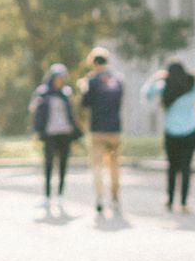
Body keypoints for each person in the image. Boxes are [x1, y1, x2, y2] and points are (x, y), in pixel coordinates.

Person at [142, 60, 195, 213]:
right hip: (190, 131)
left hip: (171, 132)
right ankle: (183, 203)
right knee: (186, 167)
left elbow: (146, 93)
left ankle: (169, 201)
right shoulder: (192, 85)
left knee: (172, 168)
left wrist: (155, 78)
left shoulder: (164, 86)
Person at [79, 47, 126, 216]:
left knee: (97, 166)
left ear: (93, 63)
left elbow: (84, 103)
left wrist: (84, 86)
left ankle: (99, 197)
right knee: (114, 165)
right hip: (114, 129)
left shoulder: (92, 81)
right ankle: (115, 197)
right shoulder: (118, 80)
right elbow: (120, 101)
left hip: (98, 129)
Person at [28, 63, 79, 210]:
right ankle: (47, 196)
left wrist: (75, 132)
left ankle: (61, 196)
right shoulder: (43, 92)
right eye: (58, 77)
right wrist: (37, 130)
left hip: (65, 133)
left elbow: (71, 115)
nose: (60, 80)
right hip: (49, 134)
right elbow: (35, 112)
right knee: (49, 165)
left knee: (63, 165)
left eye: (62, 78)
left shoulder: (66, 92)